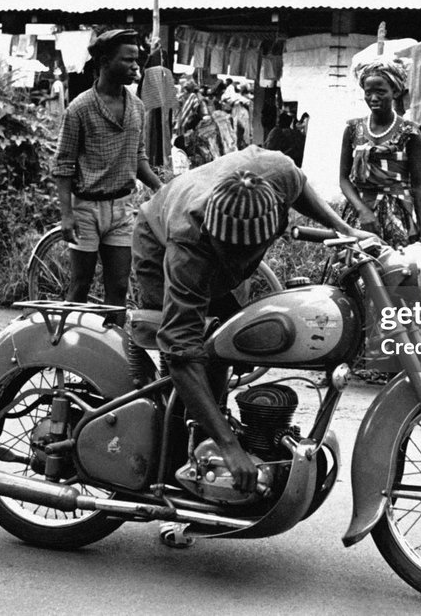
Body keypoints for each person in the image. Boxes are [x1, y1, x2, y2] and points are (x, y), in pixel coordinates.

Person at [132, 146, 369, 544]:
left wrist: (345, 230)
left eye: (250, 251)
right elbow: (178, 353)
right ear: (215, 234)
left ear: (275, 216)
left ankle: (216, 440)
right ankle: (172, 492)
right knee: (188, 357)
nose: (242, 259)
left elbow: (299, 185)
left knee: (222, 348)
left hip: (217, 255)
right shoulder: (189, 245)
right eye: (232, 251)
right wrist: (229, 446)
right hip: (158, 241)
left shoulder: (275, 172)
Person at [53, 29, 162, 322]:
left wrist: (161, 188)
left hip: (122, 209)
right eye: (127, 60)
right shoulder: (80, 109)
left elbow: (138, 158)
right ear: (104, 61)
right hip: (86, 209)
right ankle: (64, 348)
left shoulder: (137, 107)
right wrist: (66, 215)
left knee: (117, 288)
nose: (135, 66)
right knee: (80, 286)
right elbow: (63, 166)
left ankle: (112, 355)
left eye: (137, 60)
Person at [339, 56, 421, 249]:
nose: (373, 98)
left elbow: (418, 186)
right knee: (354, 271)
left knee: (399, 272)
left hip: (398, 218)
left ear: (395, 91)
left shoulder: (410, 133)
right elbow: (344, 179)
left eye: (380, 91)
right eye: (368, 92)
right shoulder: (353, 129)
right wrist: (362, 210)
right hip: (359, 216)